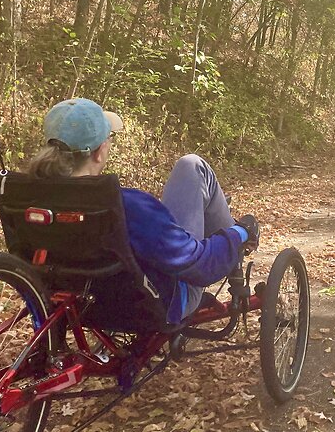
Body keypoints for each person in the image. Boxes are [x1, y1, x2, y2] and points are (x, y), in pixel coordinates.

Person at [25, 97, 260, 324]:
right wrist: (240, 233)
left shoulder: (30, 200)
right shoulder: (127, 205)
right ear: (99, 152)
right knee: (192, 167)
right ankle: (236, 252)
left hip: (79, 306)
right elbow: (199, 267)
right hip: (152, 306)